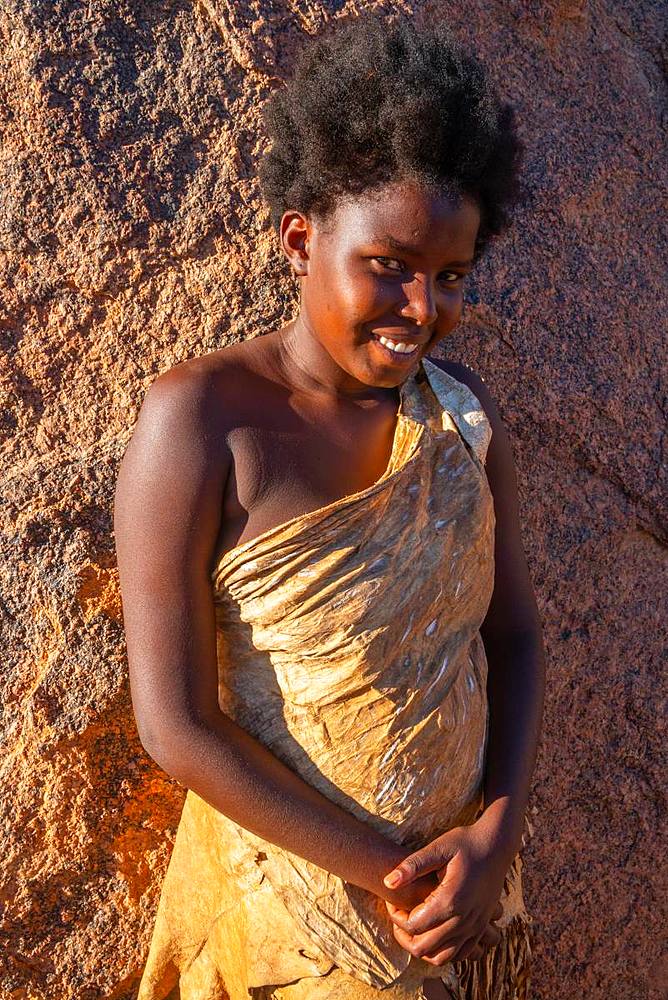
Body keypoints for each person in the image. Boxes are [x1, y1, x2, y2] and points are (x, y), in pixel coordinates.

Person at [114, 12, 545, 1000]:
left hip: (468, 901)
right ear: (300, 239)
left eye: (448, 278)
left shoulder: (460, 419)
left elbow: (513, 635)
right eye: (386, 265)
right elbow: (175, 722)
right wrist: (395, 877)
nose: (418, 310)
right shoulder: (204, 423)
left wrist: (493, 834)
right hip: (301, 915)